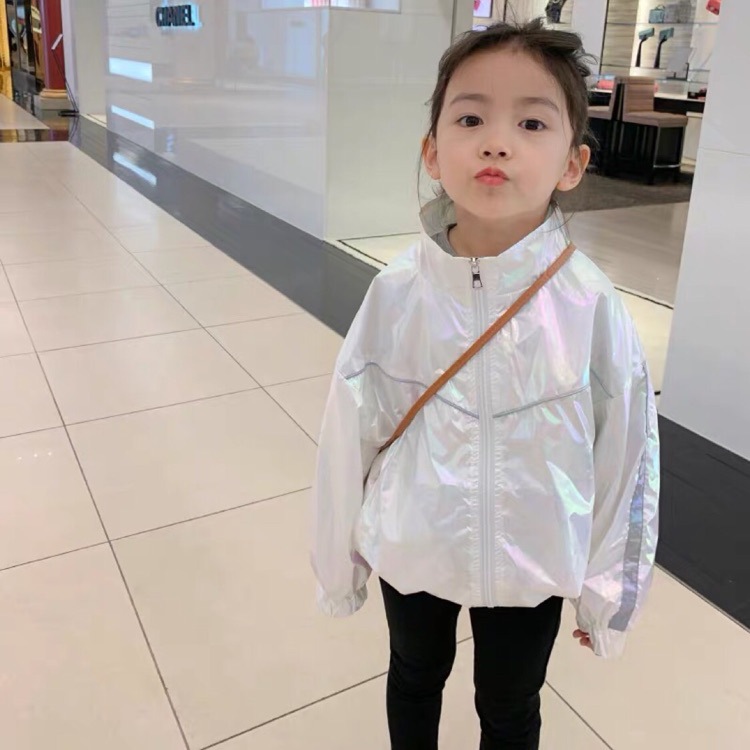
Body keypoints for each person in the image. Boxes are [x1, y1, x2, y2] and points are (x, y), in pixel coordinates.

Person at [311, 20, 659, 750]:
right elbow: (349, 430)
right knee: (414, 674)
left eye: (532, 123)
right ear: (433, 152)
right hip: (414, 540)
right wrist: (339, 566)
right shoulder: (398, 292)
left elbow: (626, 454)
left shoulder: (590, 305)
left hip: (533, 556)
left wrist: (607, 596)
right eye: (471, 119)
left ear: (573, 162)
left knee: (509, 703)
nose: (497, 142)